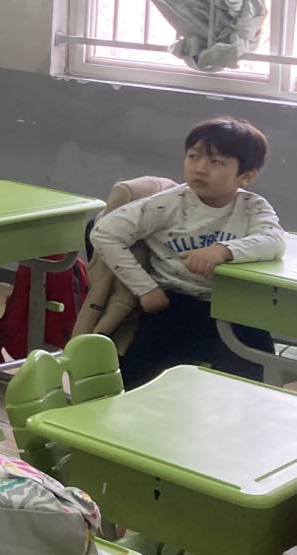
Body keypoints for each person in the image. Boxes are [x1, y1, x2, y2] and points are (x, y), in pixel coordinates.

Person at [91, 116, 285, 388]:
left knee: (257, 379)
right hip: (175, 302)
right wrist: (145, 288)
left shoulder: (252, 206)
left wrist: (223, 250)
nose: (200, 169)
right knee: (137, 379)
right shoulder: (168, 204)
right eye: (193, 157)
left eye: (216, 162)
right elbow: (104, 231)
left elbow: (274, 240)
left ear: (246, 176)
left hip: (236, 306)